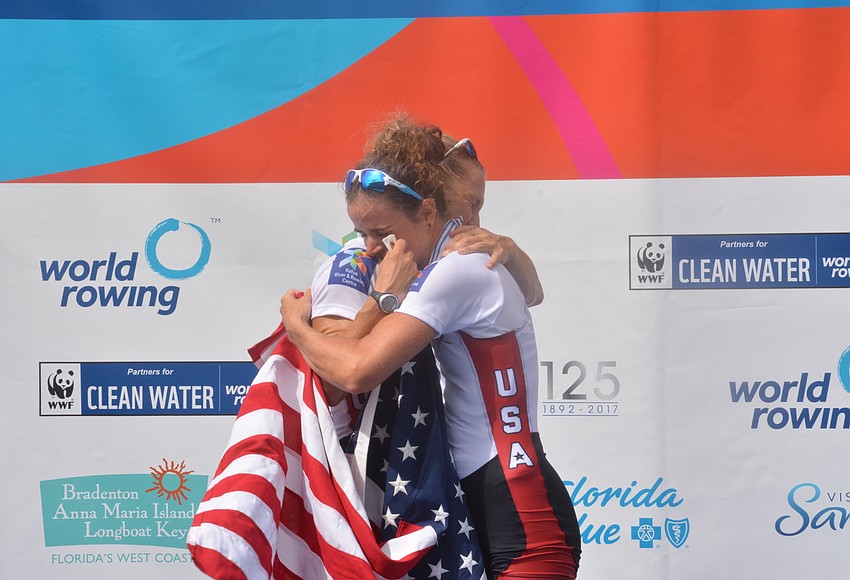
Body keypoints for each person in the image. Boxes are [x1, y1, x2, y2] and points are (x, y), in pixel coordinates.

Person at [281, 126, 582, 578]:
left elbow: (355, 370)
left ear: (426, 212)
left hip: (524, 519)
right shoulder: (445, 263)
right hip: (475, 505)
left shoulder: (459, 270)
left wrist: (295, 327)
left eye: (381, 232)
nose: (370, 248)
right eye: (361, 233)